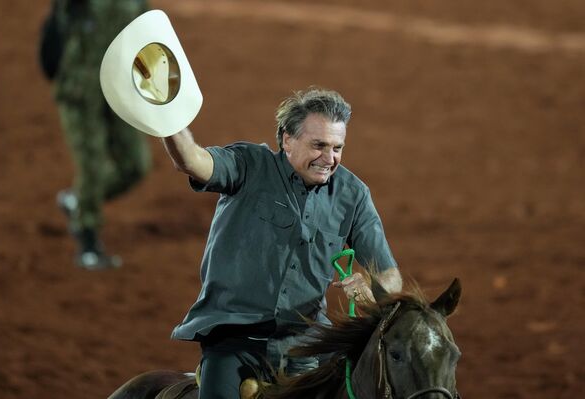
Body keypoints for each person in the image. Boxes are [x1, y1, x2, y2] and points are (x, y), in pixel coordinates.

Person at [162, 87, 402, 398]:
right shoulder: (249, 165)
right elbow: (192, 161)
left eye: (337, 147)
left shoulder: (352, 195)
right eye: (319, 145)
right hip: (235, 342)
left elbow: (390, 276)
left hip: (303, 347)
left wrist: (373, 289)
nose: (329, 159)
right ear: (287, 139)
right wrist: (165, 117)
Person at [52, 0, 151, 270]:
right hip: (81, 89)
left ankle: (78, 201)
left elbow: (147, 33)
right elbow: (54, 31)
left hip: (120, 90)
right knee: (92, 169)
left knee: (135, 165)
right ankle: (88, 245)